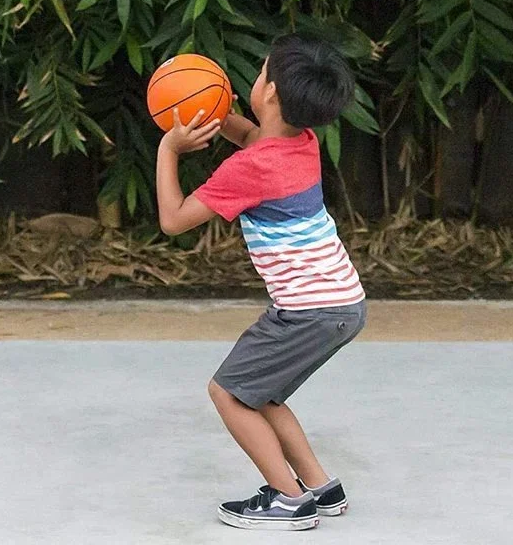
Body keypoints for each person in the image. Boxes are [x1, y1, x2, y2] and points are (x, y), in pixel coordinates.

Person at [155, 34, 365, 531]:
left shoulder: (249, 170)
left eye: (260, 71)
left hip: (307, 312)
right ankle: (320, 485)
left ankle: (289, 501)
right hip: (342, 304)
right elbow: (254, 137)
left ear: (269, 92)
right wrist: (217, 115)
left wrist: (169, 147)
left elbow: (174, 219)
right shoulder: (301, 142)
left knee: (228, 393)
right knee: (263, 394)